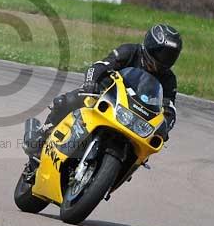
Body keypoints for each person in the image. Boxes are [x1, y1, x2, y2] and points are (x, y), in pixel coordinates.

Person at [24, 24, 183, 173]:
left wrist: (166, 127)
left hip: (135, 116)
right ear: (150, 45)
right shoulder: (129, 51)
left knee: (143, 150)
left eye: (171, 56)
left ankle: (112, 174)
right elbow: (99, 66)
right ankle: (40, 137)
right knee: (67, 101)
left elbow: (169, 109)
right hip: (105, 96)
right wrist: (89, 83)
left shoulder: (169, 79)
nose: (165, 59)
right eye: (162, 53)